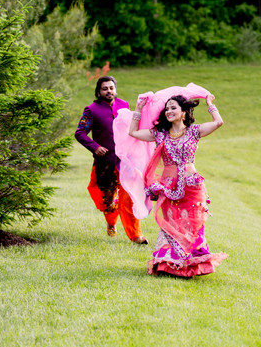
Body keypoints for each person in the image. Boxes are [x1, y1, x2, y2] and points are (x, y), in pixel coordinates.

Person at [128, 91, 228, 277]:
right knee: (170, 224)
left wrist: (209, 103)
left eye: (173, 108)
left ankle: (192, 264)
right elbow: (133, 132)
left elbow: (218, 122)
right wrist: (139, 108)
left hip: (192, 185)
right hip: (169, 187)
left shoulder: (194, 131)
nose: (168, 111)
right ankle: (169, 264)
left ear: (183, 112)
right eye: (166, 109)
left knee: (193, 224)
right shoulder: (160, 134)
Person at [75, 76, 147, 244]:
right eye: (105, 88)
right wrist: (95, 147)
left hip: (125, 161)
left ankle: (136, 235)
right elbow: (79, 133)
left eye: (111, 88)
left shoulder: (124, 105)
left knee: (129, 197)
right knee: (108, 200)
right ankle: (111, 223)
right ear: (99, 92)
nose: (109, 91)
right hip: (104, 162)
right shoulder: (91, 110)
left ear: (115, 89)